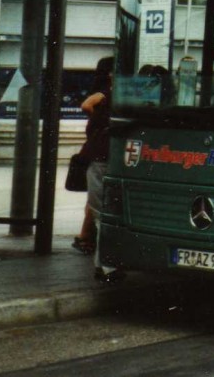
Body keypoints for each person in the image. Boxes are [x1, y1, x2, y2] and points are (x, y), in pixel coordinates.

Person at [71, 56, 122, 282]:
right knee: (103, 214)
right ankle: (106, 266)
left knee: (102, 212)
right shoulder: (106, 96)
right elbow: (86, 105)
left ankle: (104, 264)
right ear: (110, 74)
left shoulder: (110, 99)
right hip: (101, 160)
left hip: (99, 159)